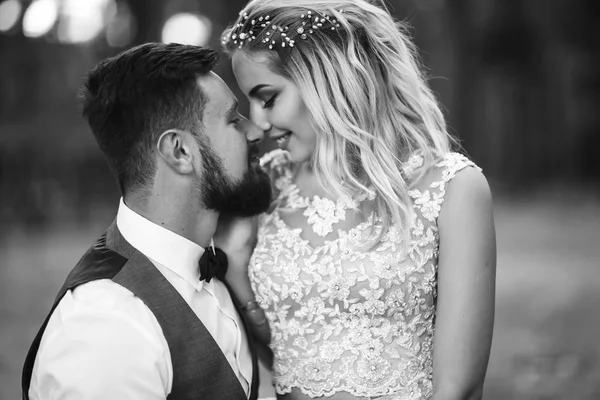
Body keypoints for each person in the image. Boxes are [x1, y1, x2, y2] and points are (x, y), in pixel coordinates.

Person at [217, 1, 497, 399]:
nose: (258, 122)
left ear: (325, 79)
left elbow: (460, 388)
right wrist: (238, 271)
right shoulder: (267, 185)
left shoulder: (453, 188)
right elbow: (272, 349)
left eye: (268, 97)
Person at [21, 43, 272, 400]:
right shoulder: (105, 328)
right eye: (233, 119)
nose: (255, 132)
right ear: (180, 152)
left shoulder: (221, 266)